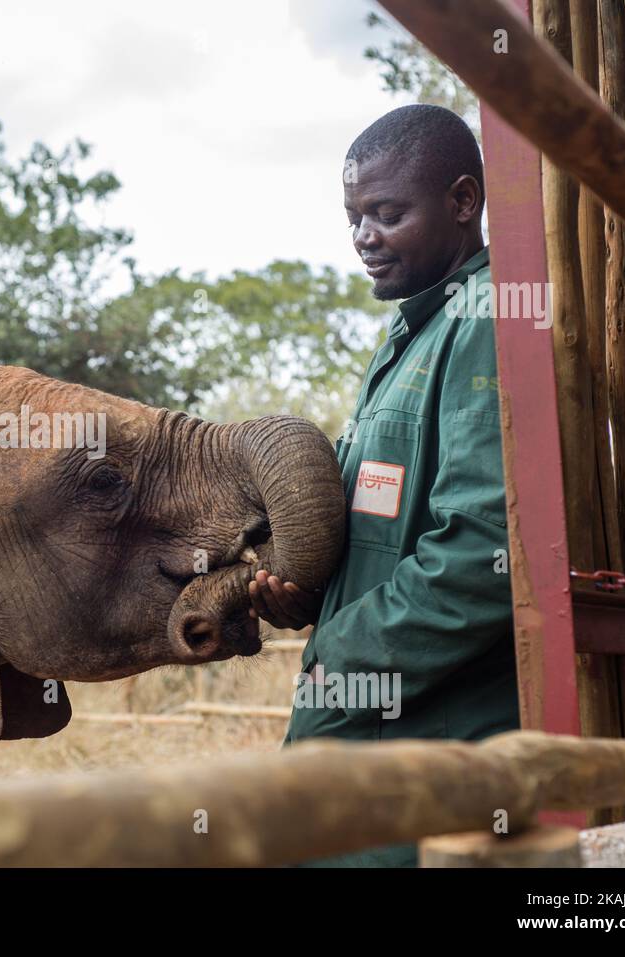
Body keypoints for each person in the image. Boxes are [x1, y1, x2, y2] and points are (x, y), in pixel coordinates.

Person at [247, 104, 521, 867]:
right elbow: (382, 532)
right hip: (358, 752)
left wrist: (340, 647)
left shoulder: (487, 317)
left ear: (464, 201)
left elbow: (483, 554)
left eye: (387, 213)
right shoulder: (409, 337)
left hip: (422, 760)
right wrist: (313, 595)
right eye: (354, 217)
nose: (364, 236)